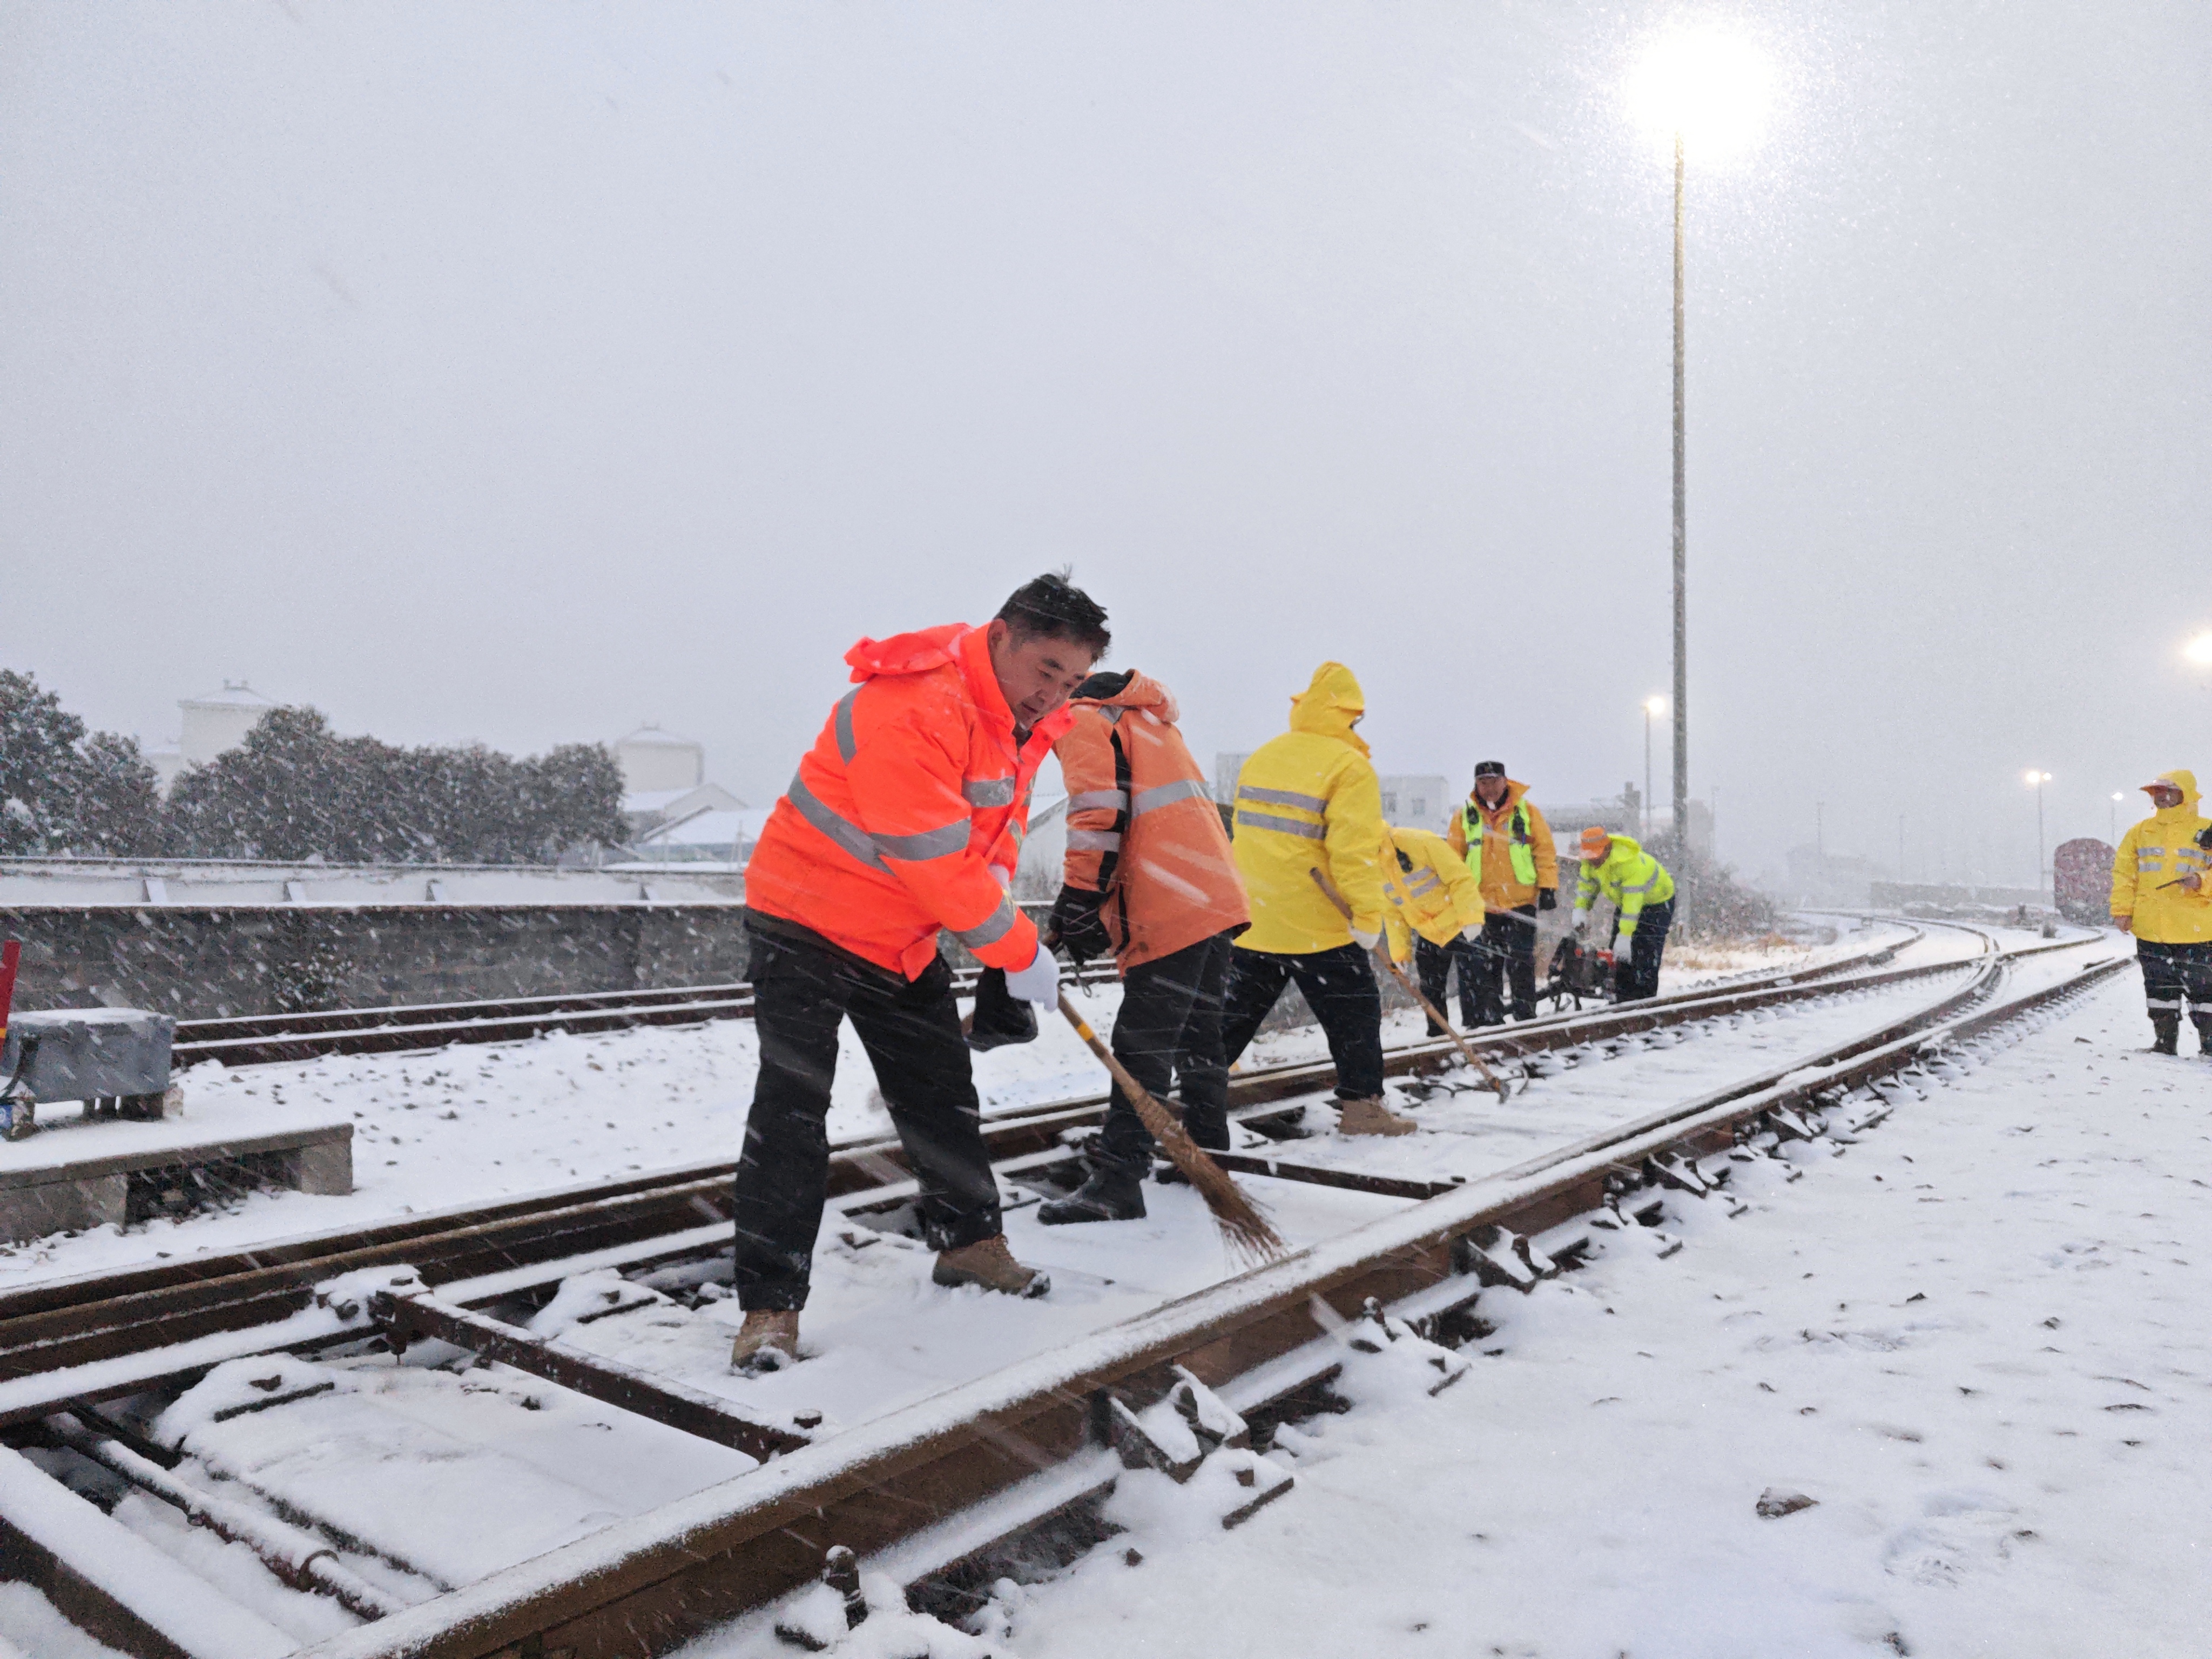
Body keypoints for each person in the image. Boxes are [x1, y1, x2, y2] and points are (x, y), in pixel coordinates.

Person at [726, 574, 1110, 1370]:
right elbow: (934, 861)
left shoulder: (1015, 722)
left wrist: (1002, 920)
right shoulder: (914, 705)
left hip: (896, 934)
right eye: (1047, 670)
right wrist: (1016, 950)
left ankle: (970, 1245)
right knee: (793, 1107)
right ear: (1001, 636)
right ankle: (770, 1307)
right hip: (805, 918)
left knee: (939, 1091)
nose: (1055, 695)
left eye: (1071, 682)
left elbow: (989, 841)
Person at [1036, 670, 1251, 1224]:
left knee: (1142, 1043)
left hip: (1166, 897)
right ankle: (1207, 1154)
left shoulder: (1082, 718)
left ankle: (1117, 1179)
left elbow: (1097, 816)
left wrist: (1080, 896)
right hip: (1210, 891)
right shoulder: (1148, 719)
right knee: (1199, 1034)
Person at [1218, 663, 1412, 1136]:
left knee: (1230, 1017)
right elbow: (1353, 853)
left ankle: (1193, 1094)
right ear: (1349, 716)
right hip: (1317, 924)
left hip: (1255, 917)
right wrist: (1367, 915)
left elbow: (1244, 835)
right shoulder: (1350, 767)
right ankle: (1363, 1108)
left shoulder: (1264, 756)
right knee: (1354, 1015)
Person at [1444, 762, 1560, 1024]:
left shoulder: (1528, 813)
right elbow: (1452, 860)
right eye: (1483, 782)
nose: (1489, 788)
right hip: (1481, 906)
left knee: (1521, 965)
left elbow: (1544, 851)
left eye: (1494, 781)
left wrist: (1548, 886)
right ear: (1476, 784)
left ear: (1505, 781)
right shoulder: (1463, 818)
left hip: (1520, 903)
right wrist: (1455, 898)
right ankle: (1491, 1023)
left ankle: (1525, 1019)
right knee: (1487, 968)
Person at [2109, 769, 2212, 1055]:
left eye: (2168, 792)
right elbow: (2125, 874)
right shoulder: (2140, 832)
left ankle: (2210, 1046)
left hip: (2198, 930)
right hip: (2152, 927)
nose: (2162, 798)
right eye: (2157, 793)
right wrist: (2122, 910)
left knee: (2206, 995)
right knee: (2159, 992)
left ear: (2186, 795)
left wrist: (2201, 881)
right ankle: (2164, 1044)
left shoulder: (2207, 830)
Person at [1379, 822, 1486, 1035]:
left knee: (1476, 986)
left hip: (1461, 926)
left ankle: (1482, 1034)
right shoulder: (1370, 867)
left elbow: (1460, 878)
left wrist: (1471, 917)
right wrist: (1400, 952)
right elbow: (1393, 914)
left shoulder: (1419, 842)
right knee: (1431, 990)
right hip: (1429, 934)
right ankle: (1439, 1038)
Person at [1573, 826, 1675, 1002]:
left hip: (1657, 903)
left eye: (1595, 856)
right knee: (1619, 952)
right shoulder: (1590, 862)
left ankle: (1645, 1000)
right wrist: (1581, 909)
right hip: (1627, 903)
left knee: (1646, 951)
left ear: (1606, 849)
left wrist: (1626, 935)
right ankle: (1623, 998)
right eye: (1589, 857)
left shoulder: (1628, 864)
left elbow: (1632, 903)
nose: (1593, 861)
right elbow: (1587, 888)